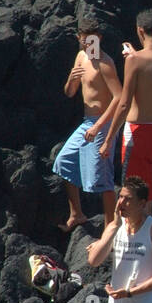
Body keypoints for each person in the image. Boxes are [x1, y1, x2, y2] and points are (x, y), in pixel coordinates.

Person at [98, 9, 152, 240]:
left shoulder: (134, 61)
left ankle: (140, 256)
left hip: (139, 132)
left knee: (140, 200)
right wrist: (135, 56)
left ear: (140, 30)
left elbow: (124, 104)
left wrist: (107, 140)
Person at [55, 20, 121, 231]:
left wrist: (98, 127)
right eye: (85, 42)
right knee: (64, 160)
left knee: (102, 178)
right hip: (87, 123)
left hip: (104, 123)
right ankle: (77, 214)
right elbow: (69, 93)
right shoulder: (81, 57)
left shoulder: (105, 63)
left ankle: (110, 228)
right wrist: (71, 79)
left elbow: (119, 98)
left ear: (99, 38)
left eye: (92, 41)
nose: (88, 46)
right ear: (79, 39)